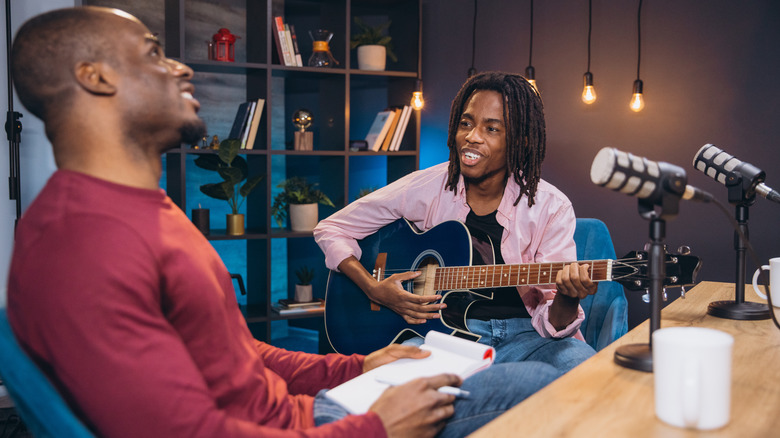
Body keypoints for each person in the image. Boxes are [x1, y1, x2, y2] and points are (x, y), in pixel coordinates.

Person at [6, 7, 560, 437]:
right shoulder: (81, 247)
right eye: (152, 52)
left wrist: (358, 366)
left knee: (551, 375)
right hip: (315, 426)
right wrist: (377, 426)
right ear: (94, 76)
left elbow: (237, 352)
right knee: (550, 387)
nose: (179, 64)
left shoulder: (147, 211)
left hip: (307, 411)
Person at [315, 71, 598, 373]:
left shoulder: (550, 206)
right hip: (439, 336)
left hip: (526, 336)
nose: (472, 137)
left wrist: (567, 296)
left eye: (491, 129)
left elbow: (553, 322)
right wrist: (372, 288)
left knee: (584, 369)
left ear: (521, 140)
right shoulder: (428, 186)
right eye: (466, 123)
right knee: (387, 378)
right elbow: (332, 228)